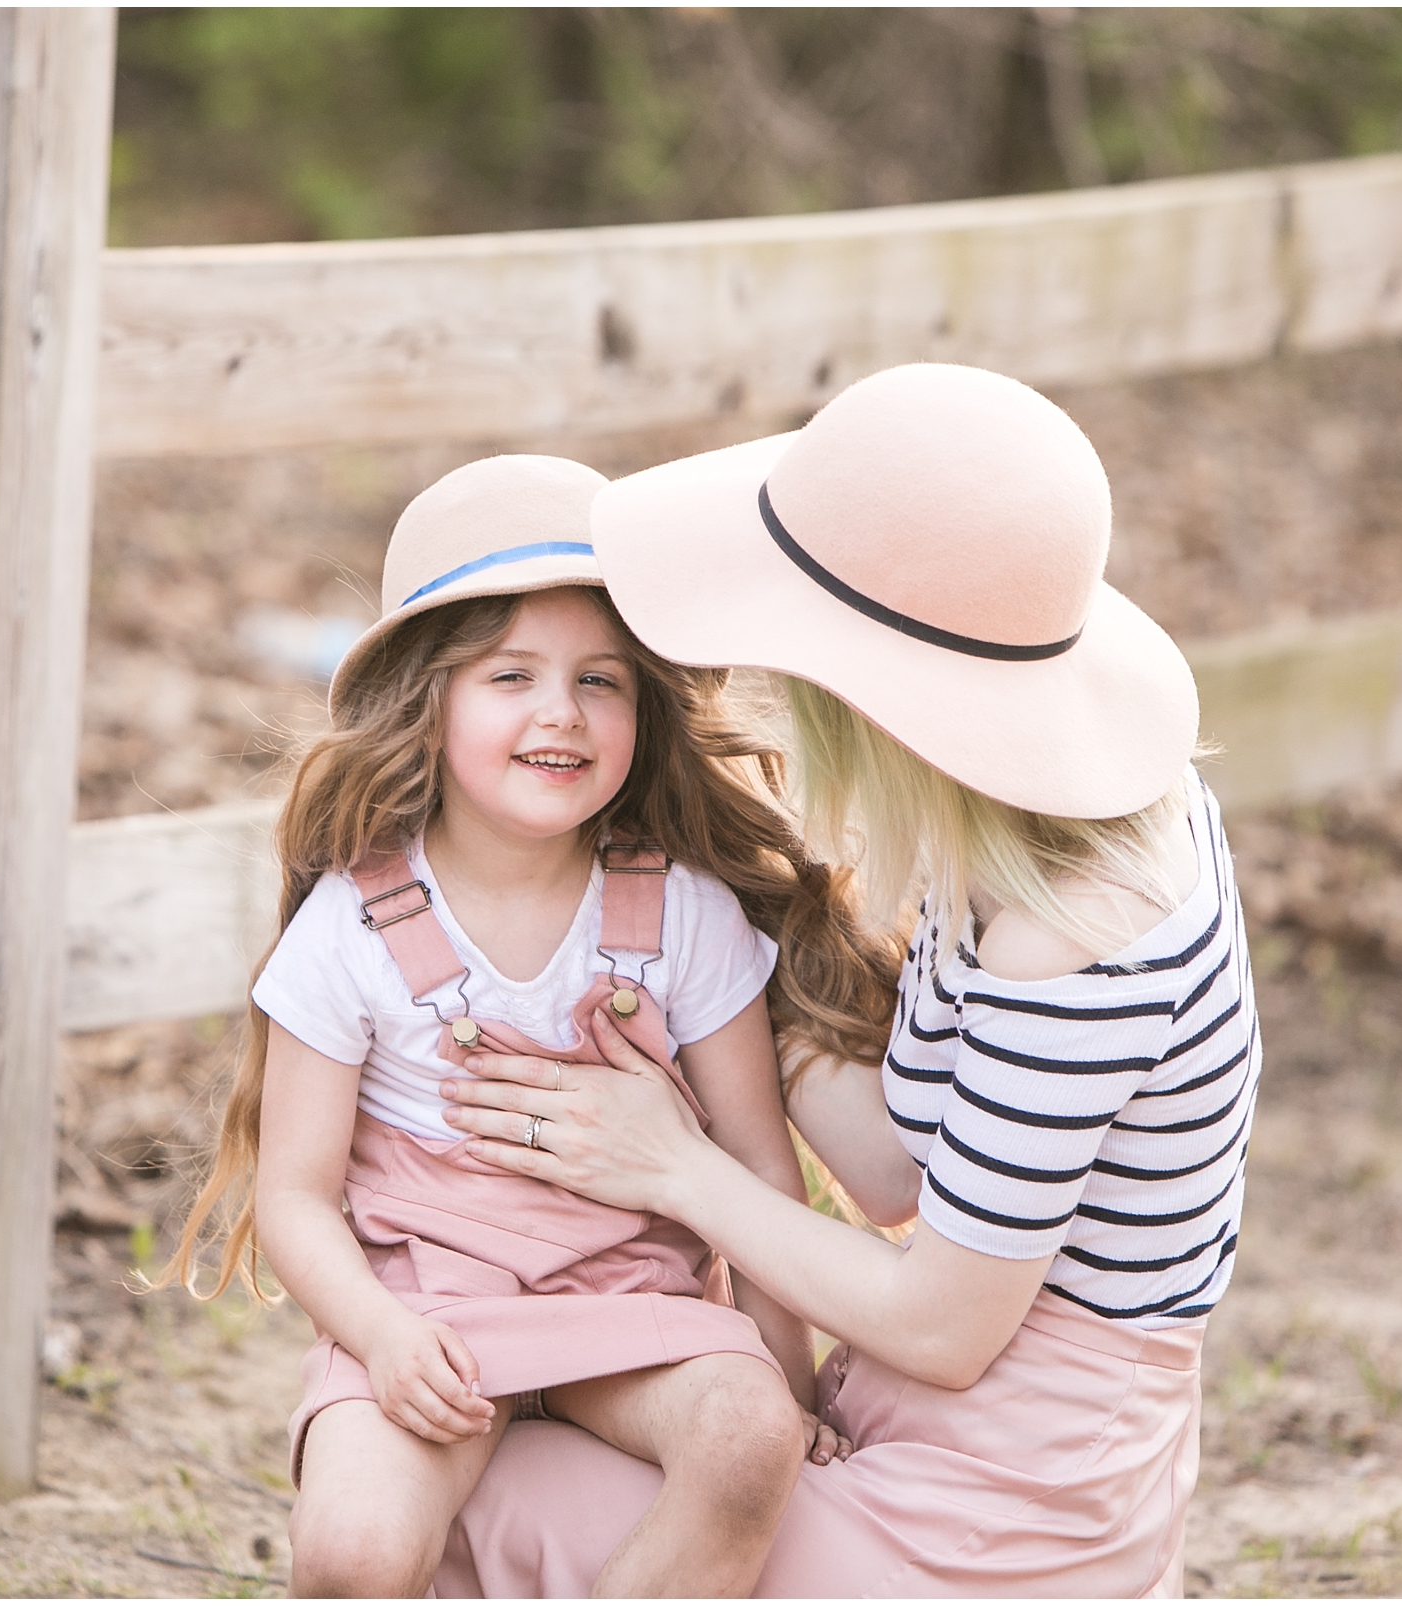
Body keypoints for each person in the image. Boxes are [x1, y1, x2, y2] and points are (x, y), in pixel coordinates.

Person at [433, 364, 1258, 1598]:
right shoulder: (1039, 819)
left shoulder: (1072, 938)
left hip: (1000, 1515)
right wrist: (718, 942)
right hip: (956, 1430)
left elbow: (945, 1319)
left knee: (482, 1491)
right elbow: (895, 1174)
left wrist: (674, 1166)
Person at [164, 455, 903, 1597]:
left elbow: (758, 1163)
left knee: (749, 1436)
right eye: (511, 674)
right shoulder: (351, 928)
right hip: (426, 1313)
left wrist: (788, 1384)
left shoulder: (682, 915)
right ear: (431, 700)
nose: (561, 710)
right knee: (351, 1551)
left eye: (601, 680)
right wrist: (382, 1336)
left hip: (635, 1313)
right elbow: (296, 1196)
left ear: (643, 713)